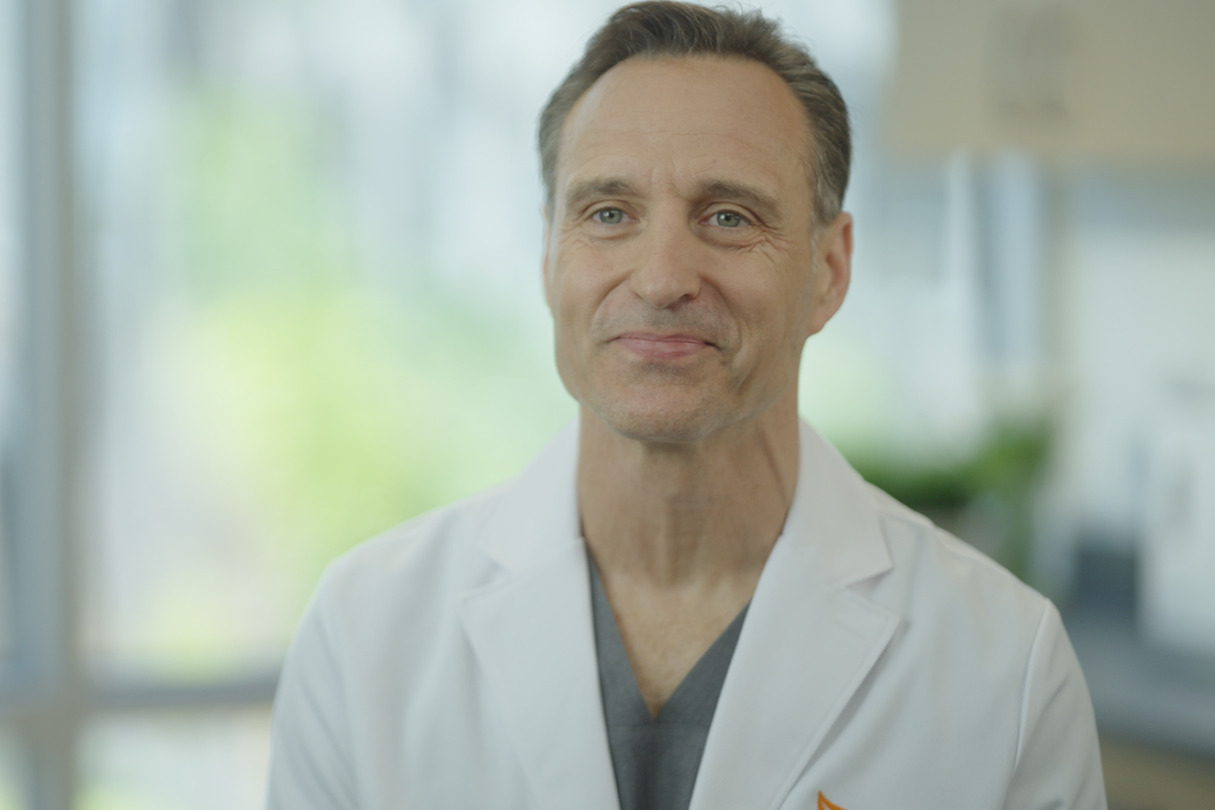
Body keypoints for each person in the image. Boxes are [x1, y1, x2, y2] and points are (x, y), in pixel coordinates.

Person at [266, 3, 1107, 809]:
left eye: (728, 216)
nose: (663, 277)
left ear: (828, 270)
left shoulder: (1003, 664)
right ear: (549, 254)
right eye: (607, 213)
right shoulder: (365, 634)